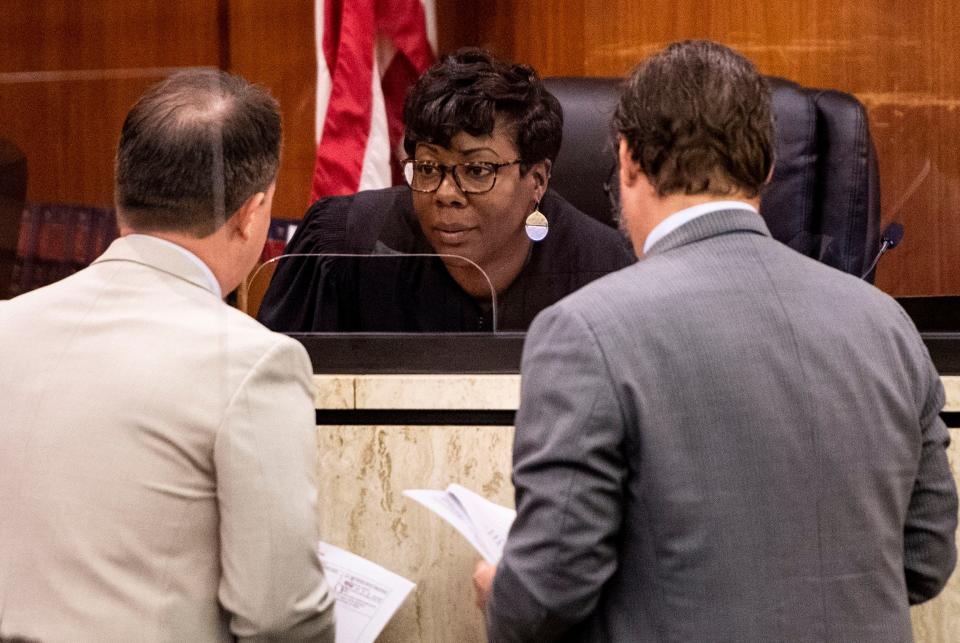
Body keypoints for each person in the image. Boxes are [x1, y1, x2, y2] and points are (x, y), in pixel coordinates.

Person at [472, 40, 957, 641]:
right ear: (768, 166)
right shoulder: (888, 327)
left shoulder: (584, 332)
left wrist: (501, 594)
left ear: (626, 160)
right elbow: (926, 561)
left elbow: (547, 596)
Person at [0, 69, 336, 641]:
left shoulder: (6, 327)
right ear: (253, 213)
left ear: (121, 194)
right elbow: (282, 617)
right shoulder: (253, 361)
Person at [257, 48, 635, 332]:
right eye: (427, 167)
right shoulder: (347, 246)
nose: (445, 192)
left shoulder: (606, 274)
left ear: (536, 180)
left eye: (476, 170)